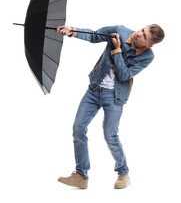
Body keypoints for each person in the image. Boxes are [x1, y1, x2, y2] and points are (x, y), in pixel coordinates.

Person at [56, 24, 165, 189]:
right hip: (94, 88)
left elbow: (124, 75)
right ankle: (81, 175)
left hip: (115, 96)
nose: (139, 34)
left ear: (150, 44)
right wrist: (72, 31)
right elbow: (94, 35)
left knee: (110, 135)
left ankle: (123, 173)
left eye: (144, 36)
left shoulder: (147, 57)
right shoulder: (120, 30)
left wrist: (117, 50)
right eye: (142, 29)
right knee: (78, 128)